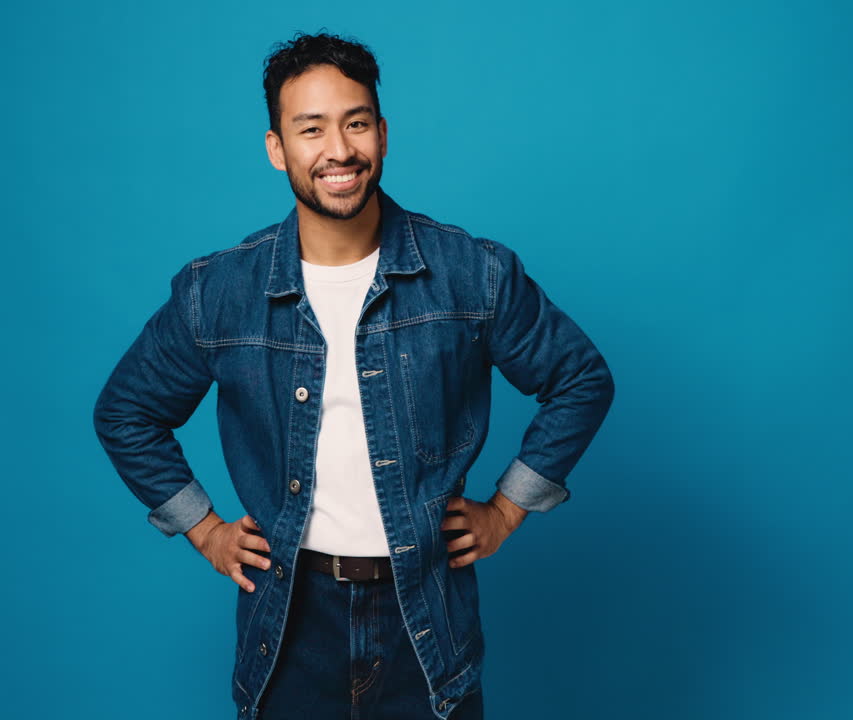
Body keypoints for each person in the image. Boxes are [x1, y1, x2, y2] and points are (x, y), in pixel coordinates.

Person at [93, 32, 615, 720]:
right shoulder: (219, 291)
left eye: (356, 123)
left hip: (425, 621)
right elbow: (126, 412)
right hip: (289, 625)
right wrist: (206, 530)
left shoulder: (472, 273)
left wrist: (507, 510)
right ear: (277, 147)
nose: (338, 150)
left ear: (383, 134)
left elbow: (580, 378)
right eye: (311, 129)